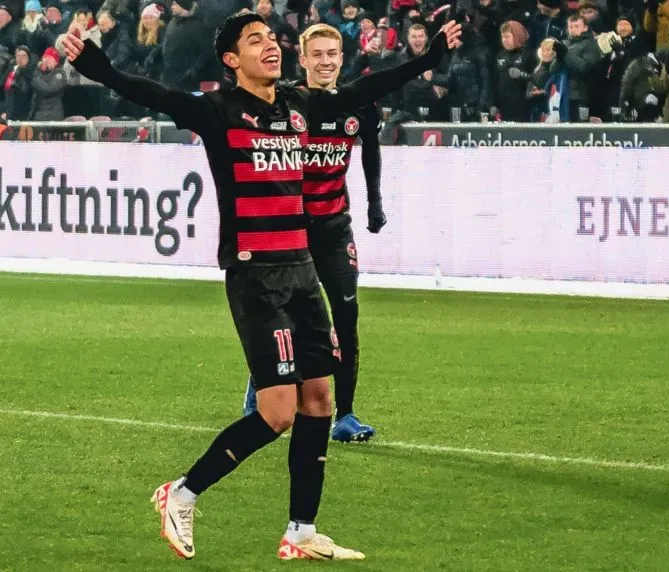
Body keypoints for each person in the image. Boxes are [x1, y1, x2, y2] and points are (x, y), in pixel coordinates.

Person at [62, 11, 461, 561]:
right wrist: (98, 66)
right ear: (232, 60)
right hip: (255, 276)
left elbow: (369, 87)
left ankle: (301, 530)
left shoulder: (301, 106)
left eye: (273, 39)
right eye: (256, 42)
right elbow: (149, 93)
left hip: (301, 268)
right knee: (277, 413)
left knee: (319, 399)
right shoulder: (217, 112)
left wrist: (428, 60)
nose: (270, 48)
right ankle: (181, 492)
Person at [240, 23, 383, 444]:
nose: (325, 61)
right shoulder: (284, 103)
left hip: (335, 227)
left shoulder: (359, 105)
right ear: (302, 60)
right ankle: (262, 387)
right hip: (292, 230)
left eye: (332, 54)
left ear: (342, 58)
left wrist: (375, 204)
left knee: (346, 316)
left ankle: (346, 414)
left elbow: (370, 154)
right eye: (316, 54)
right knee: (286, 316)